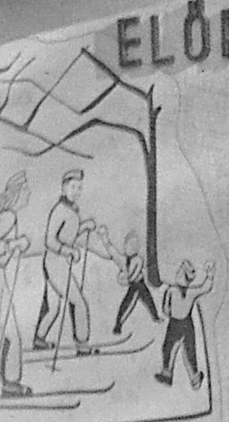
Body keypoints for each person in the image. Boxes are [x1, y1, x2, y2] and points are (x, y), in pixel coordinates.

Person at [32, 168, 111, 355]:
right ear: (63, 188)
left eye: (80, 188)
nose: (77, 191)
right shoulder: (60, 210)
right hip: (55, 263)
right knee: (79, 303)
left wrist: (85, 226)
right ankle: (82, 346)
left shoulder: (70, 210)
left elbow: (69, 233)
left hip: (57, 263)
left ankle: (39, 339)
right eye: (73, 187)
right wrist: (69, 251)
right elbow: (50, 240)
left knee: (53, 307)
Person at [153, 259, 214, 388]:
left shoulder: (180, 291)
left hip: (183, 323)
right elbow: (165, 307)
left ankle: (192, 377)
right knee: (169, 348)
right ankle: (170, 374)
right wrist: (209, 276)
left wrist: (209, 275)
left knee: (188, 351)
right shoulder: (173, 290)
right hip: (178, 323)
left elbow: (165, 309)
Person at [0, 171, 31, 396]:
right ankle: (10, 382)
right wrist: (14, 245)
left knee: (10, 333)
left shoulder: (9, 216)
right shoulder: (8, 217)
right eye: (26, 190)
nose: (29, 194)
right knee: (9, 332)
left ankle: (10, 382)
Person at [110, 231, 159, 335]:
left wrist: (126, 279)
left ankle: (156, 317)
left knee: (145, 300)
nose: (127, 248)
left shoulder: (138, 260)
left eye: (131, 246)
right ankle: (118, 325)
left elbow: (134, 274)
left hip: (138, 285)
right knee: (128, 303)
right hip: (134, 285)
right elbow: (115, 256)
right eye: (126, 245)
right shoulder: (126, 259)